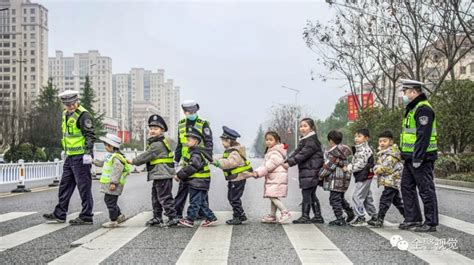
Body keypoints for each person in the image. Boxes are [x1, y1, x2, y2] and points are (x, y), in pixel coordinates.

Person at [43, 90, 96, 225]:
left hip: (81, 157)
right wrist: (65, 152)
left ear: (77, 101)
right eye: (68, 105)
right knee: (65, 186)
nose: (71, 106)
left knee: (84, 187)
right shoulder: (65, 114)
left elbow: (90, 135)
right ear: (64, 105)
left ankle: (86, 215)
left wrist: (88, 153)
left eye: (73, 104)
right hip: (70, 157)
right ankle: (60, 214)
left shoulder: (83, 115)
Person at [399, 79, 438, 232]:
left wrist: (418, 157)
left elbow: (423, 135)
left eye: (405, 92)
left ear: (414, 92)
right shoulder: (412, 108)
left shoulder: (423, 109)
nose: (404, 95)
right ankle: (413, 219)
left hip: (422, 158)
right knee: (406, 187)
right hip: (409, 157)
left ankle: (431, 223)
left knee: (426, 189)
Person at [129, 114, 178, 227]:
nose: (152, 131)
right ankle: (157, 217)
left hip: (162, 174)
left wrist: (133, 161)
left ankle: (172, 217)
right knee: (156, 197)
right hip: (158, 174)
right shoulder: (159, 141)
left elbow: (147, 156)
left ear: (162, 131)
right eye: (151, 129)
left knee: (165, 197)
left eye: (155, 129)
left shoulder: (158, 144)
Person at [174, 100, 213, 219]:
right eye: (188, 112)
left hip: (199, 161)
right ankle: (177, 213)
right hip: (186, 162)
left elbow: (209, 143)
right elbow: (180, 145)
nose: (191, 113)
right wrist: (176, 160)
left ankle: (202, 214)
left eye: (193, 111)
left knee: (200, 189)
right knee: (183, 188)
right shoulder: (181, 124)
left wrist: (206, 158)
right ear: (184, 112)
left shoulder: (203, 123)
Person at [284, 118, 325, 224]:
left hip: (312, 171)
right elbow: (297, 152)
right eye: (301, 126)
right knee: (311, 194)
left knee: (306, 193)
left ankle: (305, 216)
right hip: (309, 172)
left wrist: (289, 163)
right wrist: (287, 160)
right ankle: (317, 216)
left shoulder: (311, 141)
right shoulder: (305, 140)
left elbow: (303, 155)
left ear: (311, 128)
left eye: (305, 126)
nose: (302, 128)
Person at [177, 127, 217, 228]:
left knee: (194, 201)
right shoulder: (195, 151)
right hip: (201, 181)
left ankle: (190, 220)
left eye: (188, 140)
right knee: (201, 202)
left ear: (196, 141)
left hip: (198, 181)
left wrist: (179, 175)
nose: (186, 142)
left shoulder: (196, 153)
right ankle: (211, 217)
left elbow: (193, 166)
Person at [213, 126, 253, 225]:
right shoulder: (230, 151)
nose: (222, 143)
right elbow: (222, 157)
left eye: (223, 141)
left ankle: (238, 216)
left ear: (229, 140)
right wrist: (211, 158)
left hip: (238, 178)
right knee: (231, 197)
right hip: (234, 178)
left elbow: (230, 163)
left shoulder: (234, 152)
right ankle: (240, 214)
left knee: (234, 198)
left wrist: (218, 163)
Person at [92, 133, 130, 228]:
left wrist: (113, 182)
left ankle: (113, 220)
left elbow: (117, 170)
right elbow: (102, 163)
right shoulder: (111, 156)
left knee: (110, 201)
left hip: (113, 184)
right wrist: (92, 161)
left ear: (112, 146)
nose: (105, 147)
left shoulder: (116, 157)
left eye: (106, 145)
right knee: (110, 200)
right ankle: (119, 216)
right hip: (110, 184)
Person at [369, 130, 405, 228]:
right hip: (391, 181)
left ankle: (379, 220)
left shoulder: (391, 154)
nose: (382, 143)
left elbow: (386, 167)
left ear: (391, 142)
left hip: (392, 180)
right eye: (380, 141)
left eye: (384, 141)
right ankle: (409, 217)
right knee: (397, 201)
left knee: (384, 200)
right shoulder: (384, 153)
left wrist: (375, 169)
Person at [253, 131, 291, 224]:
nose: (268, 142)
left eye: (271, 140)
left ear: (277, 140)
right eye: (266, 140)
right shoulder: (272, 151)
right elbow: (265, 164)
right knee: (273, 196)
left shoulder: (275, 152)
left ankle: (285, 212)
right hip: (274, 178)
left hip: (276, 178)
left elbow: (268, 166)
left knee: (272, 196)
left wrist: (257, 173)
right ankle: (272, 215)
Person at [319, 130, 355, 226]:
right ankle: (350, 212)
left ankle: (340, 218)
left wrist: (320, 174)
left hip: (335, 180)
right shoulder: (344, 151)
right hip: (344, 179)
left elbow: (328, 166)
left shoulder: (333, 153)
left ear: (330, 140)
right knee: (340, 198)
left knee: (334, 199)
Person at [347, 128, 377, 226]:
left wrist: (348, 168)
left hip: (364, 175)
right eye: (355, 136)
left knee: (357, 196)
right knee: (367, 197)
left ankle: (360, 217)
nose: (356, 138)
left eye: (359, 136)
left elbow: (360, 165)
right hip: (365, 175)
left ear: (366, 138)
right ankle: (374, 216)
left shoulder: (364, 150)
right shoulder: (360, 148)